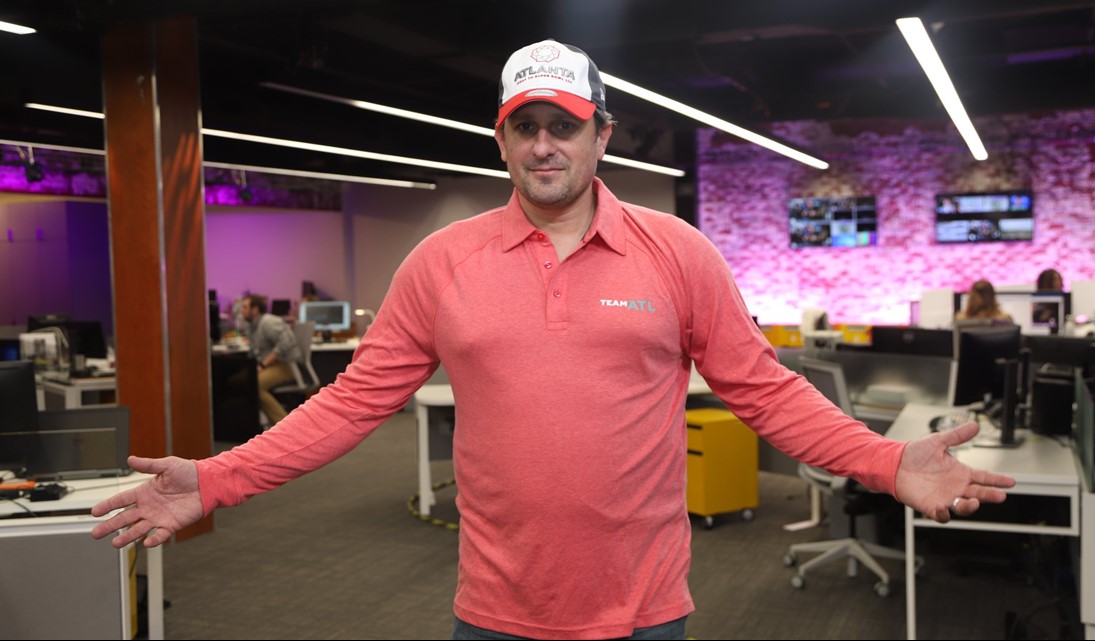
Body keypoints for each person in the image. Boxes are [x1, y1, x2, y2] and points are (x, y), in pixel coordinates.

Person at [93, 39, 1014, 640]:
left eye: (564, 126)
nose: (545, 145)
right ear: (502, 139)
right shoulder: (440, 263)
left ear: (601, 135)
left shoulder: (678, 252)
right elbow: (348, 403)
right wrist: (217, 477)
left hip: (646, 611)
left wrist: (886, 464)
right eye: (524, 126)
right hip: (495, 611)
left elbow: (765, 390)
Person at [240, 294, 302, 426]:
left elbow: (287, 342)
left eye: (245, 307)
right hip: (271, 366)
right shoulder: (251, 326)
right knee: (237, 380)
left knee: (255, 385)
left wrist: (263, 364)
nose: (241, 311)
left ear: (255, 309)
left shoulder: (268, 322)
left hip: (285, 365)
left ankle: (286, 425)